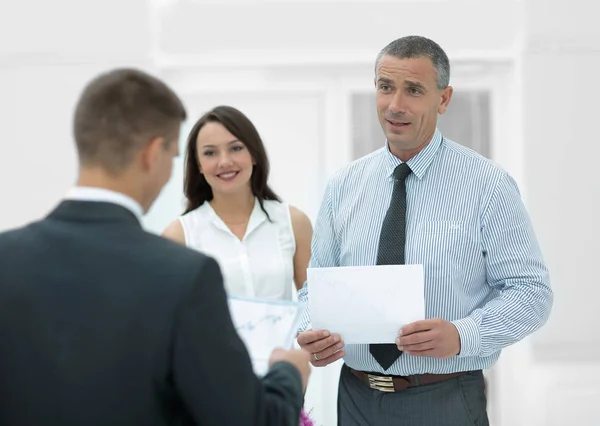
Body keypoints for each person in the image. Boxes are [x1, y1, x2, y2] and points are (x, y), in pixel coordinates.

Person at [0, 68, 311, 426]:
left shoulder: (7, 260)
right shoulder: (183, 272)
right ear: (152, 154)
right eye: (174, 155)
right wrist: (288, 373)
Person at [296, 35, 553, 426]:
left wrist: (463, 334)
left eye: (413, 90)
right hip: (355, 397)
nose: (395, 105)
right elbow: (314, 289)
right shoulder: (343, 186)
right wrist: (308, 330)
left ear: (443, 99)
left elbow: (531, 292)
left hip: (445, 396)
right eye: (386, 87)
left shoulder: (488, 185)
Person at [162, 105, 312, 301]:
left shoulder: (294, 223)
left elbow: (312, 305)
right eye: (210, 153)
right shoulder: (178, 236)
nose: (224, 162)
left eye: (236, 148)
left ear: (254, 154)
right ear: (198, 164)